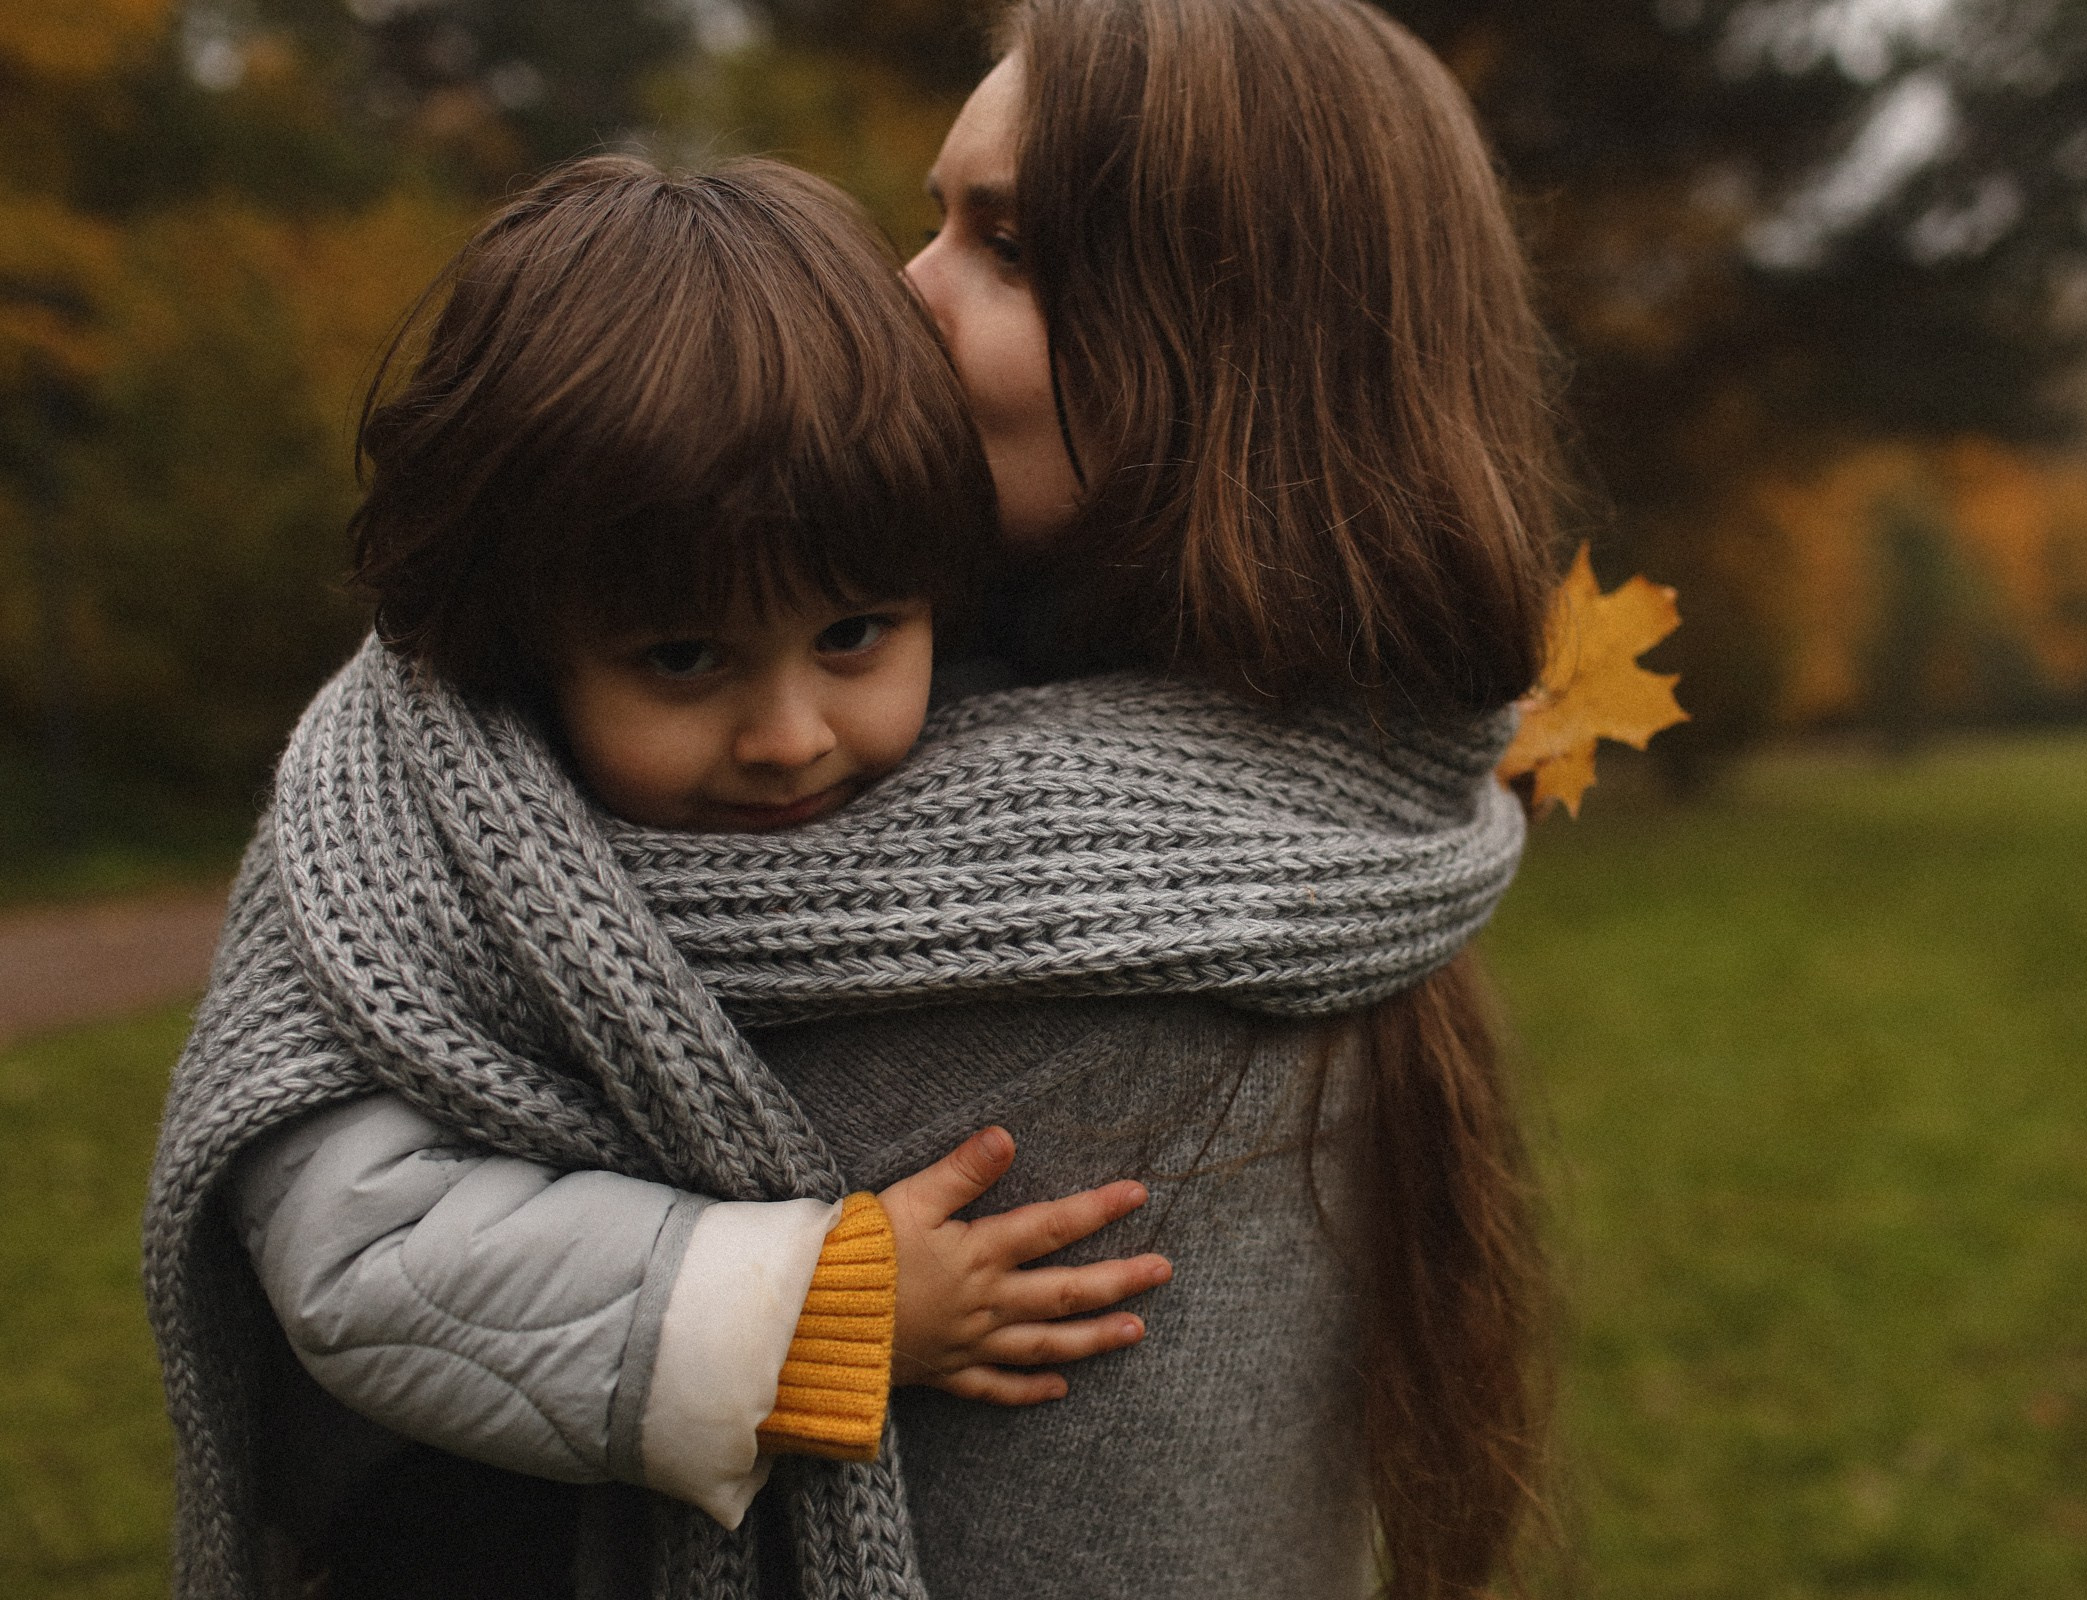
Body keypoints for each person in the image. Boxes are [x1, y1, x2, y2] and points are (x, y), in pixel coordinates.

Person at [144, 117, 1532, 1600]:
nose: (791, 732)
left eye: (856, 635)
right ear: (526, 646)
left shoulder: (1083, 763)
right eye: (684, 659)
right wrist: (808, 1312)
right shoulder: (400, 857)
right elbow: (363, 1252)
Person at [867, 2, 1567, 1596]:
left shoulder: (1087, 966)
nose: (900, 295)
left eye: (1011, 247)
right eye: (933, 222)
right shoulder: (1351, 862)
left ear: (1248, 353)